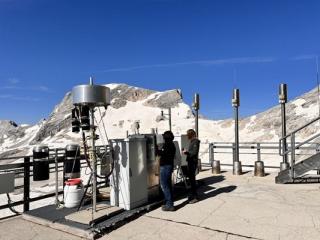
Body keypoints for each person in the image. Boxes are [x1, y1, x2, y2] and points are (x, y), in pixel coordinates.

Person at [156, 131, 176, 211]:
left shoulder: (168, 145)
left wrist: (157, 149)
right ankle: (169, 202)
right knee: (168, 185)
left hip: (165, 167)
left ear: (166, 137)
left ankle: (169, 205)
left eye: (164, 136)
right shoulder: (171, 144)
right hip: (168, 166)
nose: (163, 137)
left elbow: (162, 154)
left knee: (165, 186)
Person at [182, 129, 200, 203]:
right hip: (190, 161)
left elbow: (194, 153)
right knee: (191, 179)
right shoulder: (192, 141)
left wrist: (187, 152)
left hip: (192, 162)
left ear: (191, 134)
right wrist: (186, 152)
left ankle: (195, 196)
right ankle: (193, 195)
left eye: (188, 135)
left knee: (192, 180)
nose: (187, 136)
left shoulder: (195, 141)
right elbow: (192, 152)